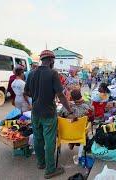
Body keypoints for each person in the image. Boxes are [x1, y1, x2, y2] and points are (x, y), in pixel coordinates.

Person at [25, 50, 73, 179]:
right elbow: (60, 95)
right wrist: (70, 111)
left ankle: (41, 163)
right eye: (54, 60)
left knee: (38, 138)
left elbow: (27, 92)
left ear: (42, 59)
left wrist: (37, 95)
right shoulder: (53, 73)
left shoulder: (31, 73)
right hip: (48, 112)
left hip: (35, 112)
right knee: (50, 140)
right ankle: (50, 170)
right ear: (51, 60)